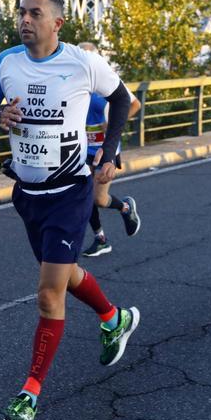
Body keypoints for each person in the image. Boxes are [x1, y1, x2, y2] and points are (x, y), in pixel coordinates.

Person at [0, 0, 139, 420]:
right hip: (27, 193)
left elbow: (122, 99)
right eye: (21, 12)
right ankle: (113, 318)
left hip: (71, 190)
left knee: (48, 294)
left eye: (35, 13)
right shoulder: (6, 63)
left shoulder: (82, 63)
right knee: (60, 274)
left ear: (56, 23)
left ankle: (29, 395)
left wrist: (108, 155)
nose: (24, 20)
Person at [78, 42, 142, 258]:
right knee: (83, 196)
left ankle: (125, 207)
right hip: (81, 149)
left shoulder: (108, 80)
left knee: (98, 199)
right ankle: (100, 239)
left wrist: (114, 123)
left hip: (105, 149)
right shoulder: (73, 82)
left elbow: (134, 104)